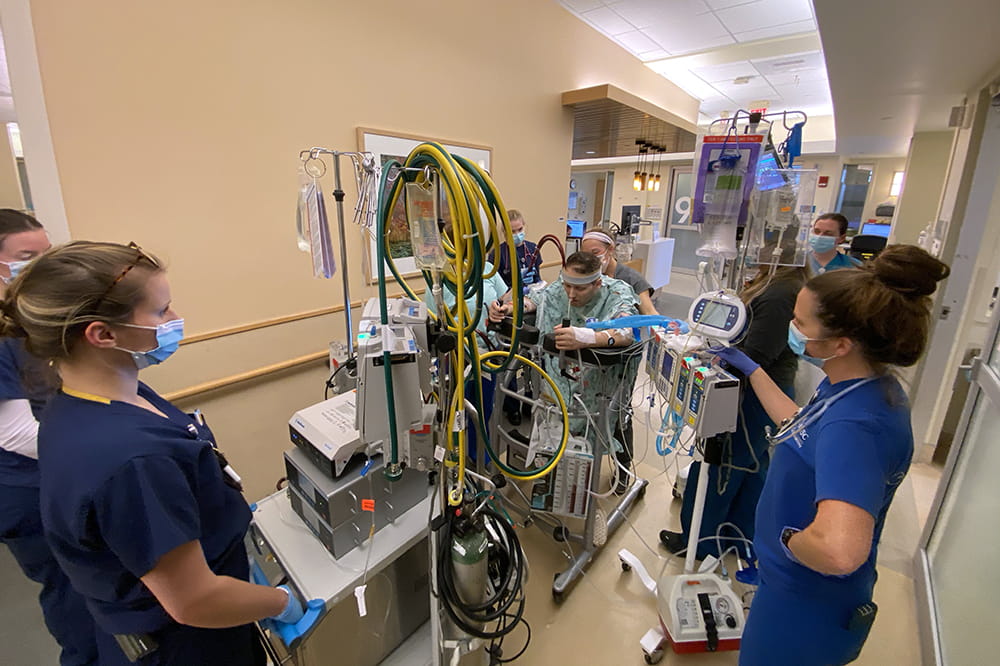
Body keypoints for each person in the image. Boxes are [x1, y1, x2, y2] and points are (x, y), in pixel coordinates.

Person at [0, 241, 307, 665]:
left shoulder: (90, 400)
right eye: (161, 312)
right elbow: (194, 601)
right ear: (102, 334)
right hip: (185, 644)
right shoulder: (130, 459)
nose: (176, 320)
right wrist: (280, 602)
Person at [712, 245, 949, 665]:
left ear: (840, 343)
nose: (791, 327)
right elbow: (802, 429)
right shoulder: (853, 386)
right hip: (788, 588)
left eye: (800, 323)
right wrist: (752, 369)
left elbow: (840, 550)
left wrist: (787, 539)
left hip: (806, 604)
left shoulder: (858, 425)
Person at [0, 210, 100, 665]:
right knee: (73, 597)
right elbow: (17, 432)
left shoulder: (28, 323)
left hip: (58, 473)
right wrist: (109, 452)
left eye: (46, 253)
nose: (40, 265)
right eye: (26, 257)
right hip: (28, 487)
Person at [659, 257, 809, 559]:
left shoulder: (780, 293)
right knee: (750, 465)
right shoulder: (774, 283)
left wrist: (717, 361)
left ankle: (699, 544)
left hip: (751, 392)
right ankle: (738, 537)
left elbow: (757, 354)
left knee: (721, 465)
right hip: (758, 388)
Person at [489, 251, 639, 491]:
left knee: (606, 429)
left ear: (597, 283)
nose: (571, 294)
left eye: (580, 289)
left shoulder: (616, 292)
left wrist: (587, 337)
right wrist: (506, 309)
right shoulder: (559, 289)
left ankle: (621, 473)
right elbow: (534, 299)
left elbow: (626, 331)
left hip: (600, 384)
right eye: (567, 285)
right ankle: (556, 477)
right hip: (557, 379)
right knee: (555, 427)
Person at [580, 231, 657, 315]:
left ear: (610, 249)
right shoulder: (583, 275)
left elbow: (649, 312)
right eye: (586, 254)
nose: (591, 258)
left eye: (595, 252)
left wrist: (662, 325)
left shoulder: (632, 279)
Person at [496, 209, 543, 292]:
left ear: (524, 226)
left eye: (520, 229)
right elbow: (496, 287)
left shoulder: (533, 248)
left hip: (531, 297)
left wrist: (538, 285)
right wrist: (516, 284)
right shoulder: (498, 254)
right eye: (512, 231)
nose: (517, 234)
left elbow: (537, 278)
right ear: (505, 231)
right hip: (509, 299)